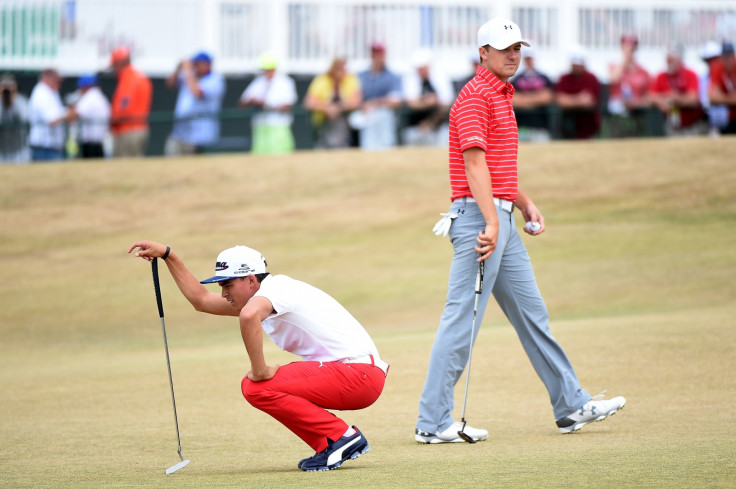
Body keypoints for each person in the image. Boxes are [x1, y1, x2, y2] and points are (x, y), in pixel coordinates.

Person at [415, 18, 625, 445]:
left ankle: (570, 404)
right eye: (504, 48)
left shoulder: (501, 94)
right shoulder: (476, 96)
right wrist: (494, 220)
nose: (514, 54)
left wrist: (522, 202)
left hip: (499, 215)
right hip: (479, 220)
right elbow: (474, 164)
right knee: (461, 319)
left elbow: (494, 167)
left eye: (518, 48)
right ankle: (432, 421)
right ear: (483, 53)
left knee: (533, 315)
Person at [128, 241, 388, 471]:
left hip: (359, 375)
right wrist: (168, 255)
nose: (223, 294)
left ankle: (339, 437)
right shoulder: (263, 297)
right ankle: (334, 441)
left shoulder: (278, 288)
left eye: (228, 285)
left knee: (256, 385)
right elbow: (202, 301)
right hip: (356, 375)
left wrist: (260, 369)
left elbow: (249, 315)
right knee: (256, 386)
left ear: (251, 280)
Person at [165, 51, 225, 156]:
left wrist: (187, 71)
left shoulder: (215, 79)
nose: (195, 66)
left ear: (207, 64)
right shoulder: (190, 75)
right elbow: (170, 84)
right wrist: (178, 68)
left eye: (198, 64)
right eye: (194, 63)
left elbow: (197, 92)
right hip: (179, 132)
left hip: (200, 135)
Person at [239, 51, 298, 155]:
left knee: (280, 156)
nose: (267, 72)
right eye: (265, 69)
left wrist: (266, 106)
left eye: (269, 69)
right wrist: (252, 101)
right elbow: (242, 102)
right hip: (260, 127)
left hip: (279, 125)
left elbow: (288, 105)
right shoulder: (258, 82)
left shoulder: (285, 82)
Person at [351, 42, 402, 150]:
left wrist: (374, 104)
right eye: (375, 54)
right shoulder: (361, 75)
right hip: (365, 114)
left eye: (380, 54)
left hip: (385, 114)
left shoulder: (391, 76)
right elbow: (355, 97)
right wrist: (364, 106)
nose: (378, 57)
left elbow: (395, 100)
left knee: (383, 116)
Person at [303, 57, 362, 149]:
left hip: (344, 124)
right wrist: (327, 108)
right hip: (323, 123)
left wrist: (338, 108)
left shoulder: (350, 79)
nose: (343, 72)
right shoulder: (322, 80)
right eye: (339, 69)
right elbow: (309, 103)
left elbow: (357, 101)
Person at [401, 48, 454, 147]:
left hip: (438, 125)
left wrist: (429, 121)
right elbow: (411, 103)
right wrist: (428, 101)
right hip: (415, 125)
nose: (421, 71)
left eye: (423, 68)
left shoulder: (440, 77)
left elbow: (446, 103)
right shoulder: (410, 78)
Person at [650, 46, 705, 137]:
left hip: (692, 124)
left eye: (671, 60)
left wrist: (676, 99)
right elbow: (651, 97)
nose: (668, 63)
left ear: (680, 59)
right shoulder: (661, 76)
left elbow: (693, 99)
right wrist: (667, 100)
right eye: (667, 60)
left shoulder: (690, 74)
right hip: (671, 125)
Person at [109, 46, 153, 157]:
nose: (114, 70)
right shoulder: (137, 77)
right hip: (137, 129)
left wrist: (112, 122)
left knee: (125, 168)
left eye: (114, 65)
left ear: (119, 63)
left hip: (128, 130)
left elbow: (123, 108)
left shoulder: (130, 79)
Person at [607, 35, 651, 138]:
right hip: (617, 114)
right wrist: (625, 59)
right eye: (626, 47)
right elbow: (613, 79)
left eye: (632, 48)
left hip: (637, 113)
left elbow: (648, 96)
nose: (629, 50)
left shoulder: (643, 71)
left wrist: (638, 102)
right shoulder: (614, 66)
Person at [555, 48, 601, 139]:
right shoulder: (564, 78)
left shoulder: (592, 78)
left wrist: (569, 100)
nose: (576, 68)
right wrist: (579, 98)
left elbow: (590, 102)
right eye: (574, 65)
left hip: (588, 126)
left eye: (578, 65)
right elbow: (560, 101)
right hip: (568, 126)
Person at [510, 46, 554, 142]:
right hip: (521, 126)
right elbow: (514, 100)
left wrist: (524, 99)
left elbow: (547, 98)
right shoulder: (516, 79)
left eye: (530, 58)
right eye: (527, 58)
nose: (529, 61)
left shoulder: (544, 78)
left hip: (541, 125)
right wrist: (537, 99)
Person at [27, 68, 71, 162]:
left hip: (51, 145)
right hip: (44, 147)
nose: (59, 84)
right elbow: (52, 119)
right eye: (57, 80)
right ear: (48, 78)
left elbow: (58, 112)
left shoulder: (51, 92)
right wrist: (68, 114)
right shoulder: (42, 93)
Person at [71, 74, 110, 159]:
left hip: (90, 143)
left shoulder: (91, 96)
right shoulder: (100, 97)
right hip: (98, 142)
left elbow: (75, 113)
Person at [699, 41, 729, 137]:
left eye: (714, 59)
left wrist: (720, 98)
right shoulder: (703, 78)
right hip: (710, 123)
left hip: (730, 122)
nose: (711, 63)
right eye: (708, 60)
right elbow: (705, 101)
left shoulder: (728, 75)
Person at [0, 73, 30, 163]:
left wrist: (13, 98)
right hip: (2, 150)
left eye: (10, 86)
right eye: (5, 85)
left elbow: (25, 118)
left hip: (19, 150)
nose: (7, 89)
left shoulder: (21, 100)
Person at [709, 41, 736, 135]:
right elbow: (712, 97)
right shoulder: (718, 68)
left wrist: (722, 97)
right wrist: (731, 98)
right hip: (730, 118)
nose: (728, 60)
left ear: (734, 56)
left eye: (730, 56)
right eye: (725, 57)